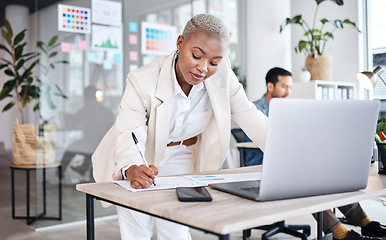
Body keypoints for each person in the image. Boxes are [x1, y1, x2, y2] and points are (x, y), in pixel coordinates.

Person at [92, 13, 267, 240]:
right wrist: (131, 167)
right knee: (136, 226)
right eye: (196, 56)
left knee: (176, 227)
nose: (204, 68)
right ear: (180, 43)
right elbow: (129, 133)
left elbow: (250, 116)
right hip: (140, 154)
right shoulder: (142, 80)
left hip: (181, 153)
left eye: (214, 62)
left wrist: (285, 152)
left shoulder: (223, 76)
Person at [243, 67, 385, 240]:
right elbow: (258, 142)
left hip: (291, 164)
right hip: (262, 165)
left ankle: (365, 223)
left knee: (328, 177)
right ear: (270, 86)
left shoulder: (289, 107)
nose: (288, 91)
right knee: (305, 183)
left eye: (290, 87)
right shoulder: (254, 111)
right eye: (284, 86)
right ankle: (339, 233)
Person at [60, 85, 114, 180]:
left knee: (69, 150)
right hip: (105, 144)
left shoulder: (85, 110)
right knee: (90, 148)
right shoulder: (107, 110)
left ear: (86, 96)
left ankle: (60, 174)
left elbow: (70, 125)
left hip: (89, 143)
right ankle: (84, 168)